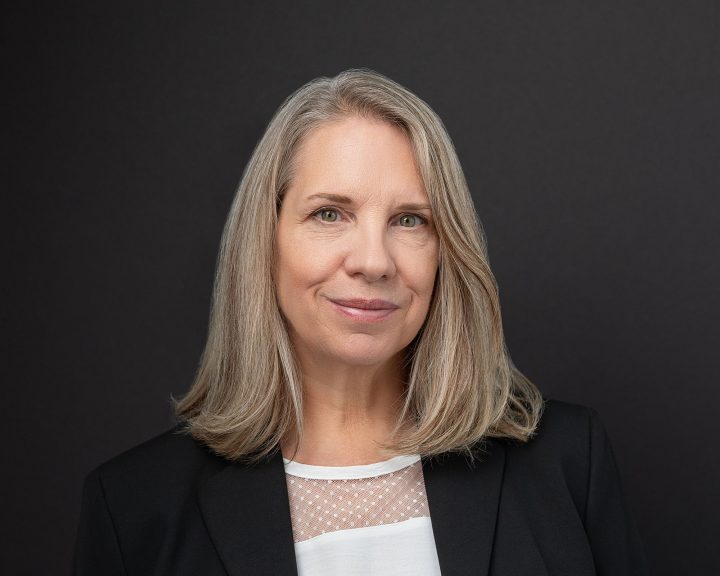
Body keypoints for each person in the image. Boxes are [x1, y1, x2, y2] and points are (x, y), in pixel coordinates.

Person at [73, 68, 648, 575]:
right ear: (265, 241)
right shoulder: (134, 507)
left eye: (410, 220)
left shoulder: (567, 463)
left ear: (448, 247)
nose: (373, 261)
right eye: (330, 213)